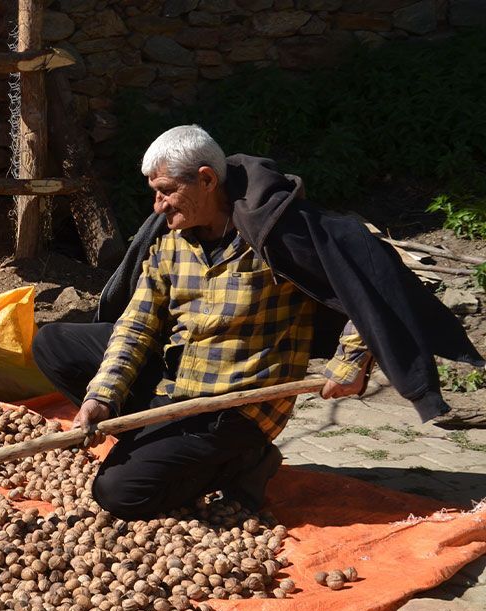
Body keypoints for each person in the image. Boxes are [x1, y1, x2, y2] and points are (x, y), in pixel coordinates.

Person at [32, 125, 483, 519]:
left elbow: (367, 284)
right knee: (53, 343)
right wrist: (102, 397)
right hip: (178, 383)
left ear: (206, 180)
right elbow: (137, 325)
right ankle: (156, 434)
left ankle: (246, 460)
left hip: (236, 406)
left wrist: (350, 362)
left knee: (118, 493)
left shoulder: (278, 236)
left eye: (166, 190)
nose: (157, 206)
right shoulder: (172, 241)